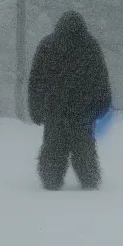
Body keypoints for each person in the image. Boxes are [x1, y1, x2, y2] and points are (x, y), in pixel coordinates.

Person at [27, 10, 113, 190]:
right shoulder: (90, 46)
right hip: (83, 110)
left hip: (54, 108)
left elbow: (36, 81)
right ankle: (89, 180)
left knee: (53, 146)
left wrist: (36, 109)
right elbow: (101, 80)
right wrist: (102, 106)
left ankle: (51, 180)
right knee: (84, 147)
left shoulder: (47, 45)